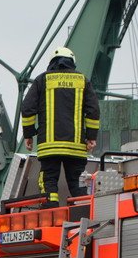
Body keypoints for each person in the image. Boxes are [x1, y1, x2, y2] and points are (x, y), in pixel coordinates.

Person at [20, 46, 100, 207]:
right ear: (72, 62)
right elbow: (93, 110)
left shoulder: (41, 80)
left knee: (49, 181)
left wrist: (28, 135)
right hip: (75, 146)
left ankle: (52, 214)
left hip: (49, 147)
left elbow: (27, 108)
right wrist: (91, 137)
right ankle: (83, 214)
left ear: (51, 62)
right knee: (77, 183)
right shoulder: (82, 80)